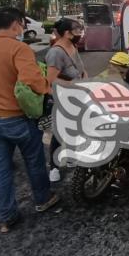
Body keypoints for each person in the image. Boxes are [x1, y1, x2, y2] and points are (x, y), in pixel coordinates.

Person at [0, 7, 58, 233]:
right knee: (34, 161)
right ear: (16, 24)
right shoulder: (19, 49)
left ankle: (7, 217)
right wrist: (46, 87)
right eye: (22, 24)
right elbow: (32, 79)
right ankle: (42, 199)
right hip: (18, 119)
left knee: (0, 169)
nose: (23, 28)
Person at [45, 19, 88, 175]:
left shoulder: (72, 46)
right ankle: (54, 168)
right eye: (76, 31)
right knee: (58, 133)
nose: (80, 34)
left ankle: (70, 157)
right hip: (61, 98)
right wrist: (73, 85)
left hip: (76, 97)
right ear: (66, 33)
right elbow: (50, 80)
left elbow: (81, 69)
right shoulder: (56, 52)